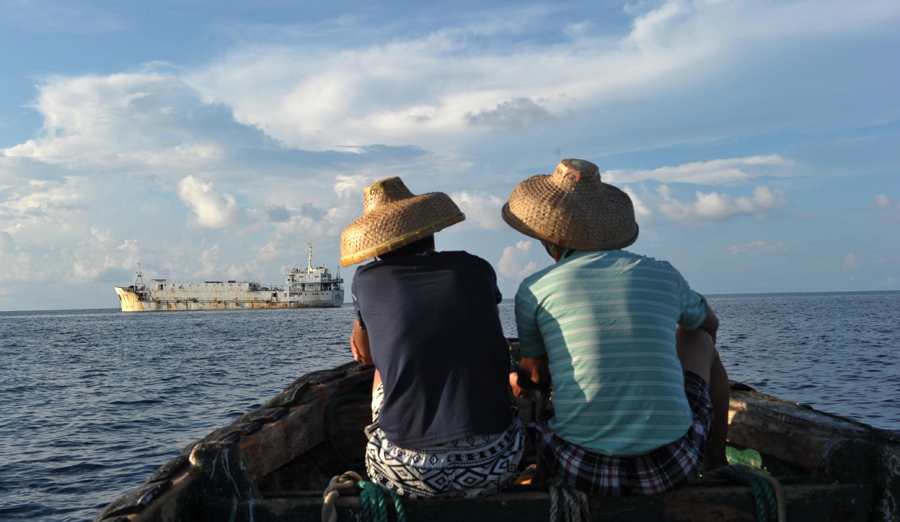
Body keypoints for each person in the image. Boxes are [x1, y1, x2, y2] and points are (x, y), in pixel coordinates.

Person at [502, 158, 729, 496]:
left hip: (579, 468)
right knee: (700, 341)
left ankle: (542, 479)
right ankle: (717, 465)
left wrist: (518, 381)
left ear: (548, 238)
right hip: (672, 466)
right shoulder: (662, 273)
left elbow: (536, 378)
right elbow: (709, 326)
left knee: (555, 406)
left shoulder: (534, 289)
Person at [341, 176, 525, 499]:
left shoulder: (366, 280)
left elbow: (366, 355)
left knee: (382, 369)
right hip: (497, 463)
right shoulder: (476, 268)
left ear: (375, 251)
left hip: (405, 474)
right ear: (431, 235)